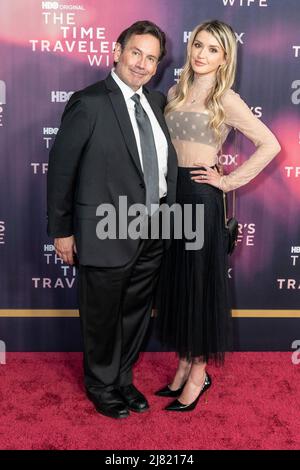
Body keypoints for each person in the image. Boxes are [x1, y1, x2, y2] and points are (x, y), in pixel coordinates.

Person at [47, 20, 177, 419]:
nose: (142, 64)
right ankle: (101, 385)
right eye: (135, 53)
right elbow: (62, 171)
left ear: (158, 66)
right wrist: (63, 231)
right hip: (106, 229)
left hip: (154, 228)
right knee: (102, 313)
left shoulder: (156, 103)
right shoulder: (89, 102)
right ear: (117, 52)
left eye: (151, 58)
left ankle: (122, 379)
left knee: (136, 312)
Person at [155, 20, 281, 412]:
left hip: (202, 197)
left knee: (199, 285)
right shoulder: (174, 92)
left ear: (225, 56)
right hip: (172, 196)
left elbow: (270, 143)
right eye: (198, 45)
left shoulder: (225, 99)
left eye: (212, 48)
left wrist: (227, 183)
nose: (201, 54)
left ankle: (198, 373)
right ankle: (182, 364)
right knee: (178, 281)